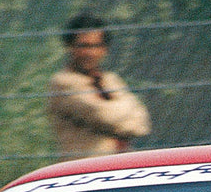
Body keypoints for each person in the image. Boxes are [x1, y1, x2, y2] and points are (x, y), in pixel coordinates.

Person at [47, 12, 151, 159]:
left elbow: (142, 122)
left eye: (96, 46)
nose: (90, 53)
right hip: (85, 167)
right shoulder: (63, 83)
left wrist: (120, 119)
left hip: (121, 165)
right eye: (84, 46)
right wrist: (127, 113)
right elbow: (103, 115)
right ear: (69, 47)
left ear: (104, 49)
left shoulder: (110, 80)